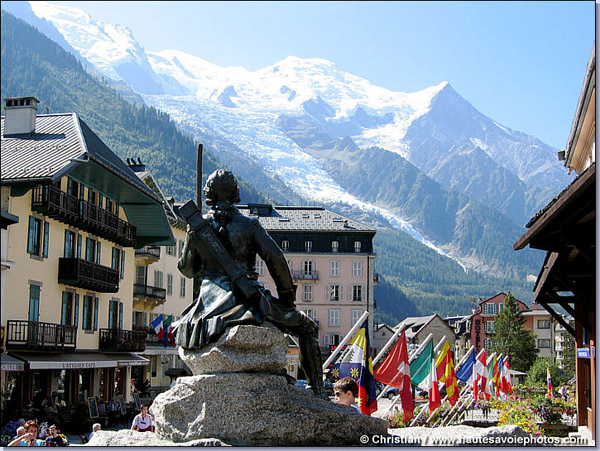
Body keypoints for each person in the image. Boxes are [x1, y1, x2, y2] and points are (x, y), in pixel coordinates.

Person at [174, 169, 325, 398]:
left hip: (208, 304)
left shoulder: (197, 226)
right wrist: (287, 298)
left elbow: (188, 270)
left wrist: (191, 237)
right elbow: (276, 259)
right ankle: (317, 391)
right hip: (246, 299)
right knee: (307, 328)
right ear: (236, 194)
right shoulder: (249, 225)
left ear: (209, 195)